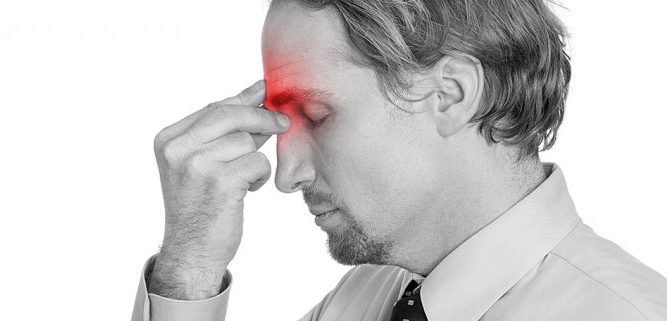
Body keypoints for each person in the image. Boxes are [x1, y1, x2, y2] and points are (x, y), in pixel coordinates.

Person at [131, 0, 667, 320]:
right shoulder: (362, 299)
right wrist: (189, 268)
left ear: (451, 94)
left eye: (317, 115)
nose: (286, 176)